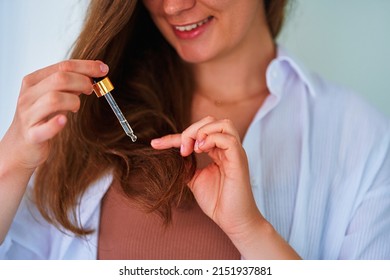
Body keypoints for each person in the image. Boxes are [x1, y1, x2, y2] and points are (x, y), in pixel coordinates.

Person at [0, 0, 389, 260]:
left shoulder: (361, 138)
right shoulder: (88, 118)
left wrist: (252, 231)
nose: (172, 6)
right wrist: (11, 163)